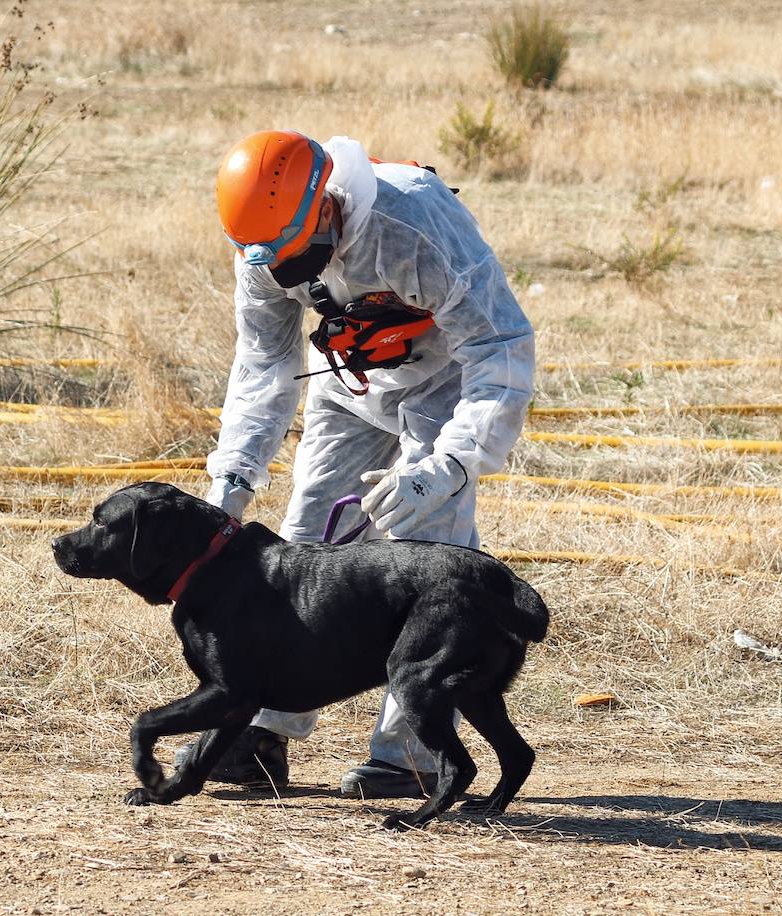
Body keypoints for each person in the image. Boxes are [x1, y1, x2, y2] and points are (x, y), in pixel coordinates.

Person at [187, 129, 536, 799]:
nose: (284, 268)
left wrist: (449, 466)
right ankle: (264, 730)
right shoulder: (261, 250)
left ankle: (413, 757)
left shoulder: (414, 225)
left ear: (325, 203)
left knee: (429, 560)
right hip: (351, 384)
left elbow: (500, 347)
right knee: (304, 547)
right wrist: (232, 479)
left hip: (447, 385)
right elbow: (264, 366)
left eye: (293, 251)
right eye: (269, 258)